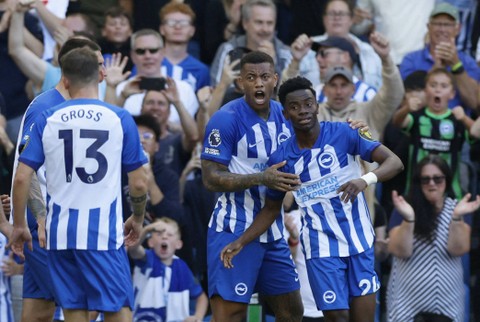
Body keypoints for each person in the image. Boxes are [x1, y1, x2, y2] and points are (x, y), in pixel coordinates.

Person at [220, 76, 404, 322]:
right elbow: (271, 209)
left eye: (308, 103)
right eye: (295, 107)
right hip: (321, 249)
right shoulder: (281, 158)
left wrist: (364, 180)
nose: (303, 111)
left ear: (317, 105)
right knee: (337, 317)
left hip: (359, 242)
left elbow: (395, 162)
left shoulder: (346, 132)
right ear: (285, 113)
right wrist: (241, 241)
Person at [9, 47, 148, 322]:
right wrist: (138, 217)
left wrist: (20, 226)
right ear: (100, 74)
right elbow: (140, 182)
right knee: (117, 308)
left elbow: (23, 176)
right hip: (101, 232)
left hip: (58, 232)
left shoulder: (49, 117)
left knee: (73, 310)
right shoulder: (119, 117)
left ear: (66, 79)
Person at [7, 37, 106, 322]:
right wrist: (40, 220)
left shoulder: (75, 104)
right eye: (97, 65)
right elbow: (28, 171)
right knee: (86, 306)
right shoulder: (46, 107)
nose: (104, 72)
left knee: (38, 312)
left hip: (55, 223)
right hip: (47, 227)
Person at [201, 51, 303, 322]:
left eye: (265, 77)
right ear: (240, 83)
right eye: (251, 77)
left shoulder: (287, 115)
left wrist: (354, 129)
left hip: (273, 230)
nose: (258, 83)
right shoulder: (226, 118)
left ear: (275, 80)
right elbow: (210, 177)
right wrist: (261, 178)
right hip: (233, 226)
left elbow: (320, 134)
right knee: (231, 316)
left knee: (292, 312)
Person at [387, 155, 480, 322]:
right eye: (425, 180)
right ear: (418, 182)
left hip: (448, 303)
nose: (432, 184)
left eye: (438, 179)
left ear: (447, 180)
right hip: (405, 303)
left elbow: (458, 249)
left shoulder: (457, 208)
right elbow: (400, 251)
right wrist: (409, 219)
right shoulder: (404, 207)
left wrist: (457, 217)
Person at [391, 67, 479, 199]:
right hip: (416, 193)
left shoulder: (457, 120)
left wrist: (464, 118)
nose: (438, 89)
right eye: (433, 85)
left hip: (450, 196)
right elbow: (397, 122)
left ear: (452, 93)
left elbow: (475, 133)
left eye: (444, 86)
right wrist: (406, 109)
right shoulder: (416, 116)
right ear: (426, 90)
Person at [399, 2, 480, 112]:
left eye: (447, 25)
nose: (442, 29)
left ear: (458, 29)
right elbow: (410, 100)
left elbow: (474, 102)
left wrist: (456, 65)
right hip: (418, 125)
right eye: (437, 24)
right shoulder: (410, 60)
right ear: (428, 27)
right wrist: (436, 68)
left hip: (457, 125)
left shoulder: (468, 62)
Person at [129, 217, 208, 322]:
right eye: (159, 234)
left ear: (178, 244)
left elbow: (201, 297)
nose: (164, 237)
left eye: (170, 235)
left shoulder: (182, 267)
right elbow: (133, 249)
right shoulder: (147, 259)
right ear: (150, 242)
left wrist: (197, 317)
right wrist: (147, 230)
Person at [116, 29, 199, 123]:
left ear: (163, 53)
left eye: (153, 50)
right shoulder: (121, 89)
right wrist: (122, 97)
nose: (147, 56)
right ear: (132, 55)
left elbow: (194, 134)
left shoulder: (184, 89)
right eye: (140, 51)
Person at [209, 0, 292, 86]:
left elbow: (289, 96)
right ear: (245, 23)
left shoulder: (285, 53)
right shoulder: (228, 50)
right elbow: (215, 91)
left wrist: (273, 65)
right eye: (259, 22)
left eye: (270, 23)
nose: (265, 29)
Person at [159, 2, 210, 93]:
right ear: (162, 29)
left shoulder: (201, 70)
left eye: (184, 23)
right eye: (171, 22)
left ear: (192, 30)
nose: (178, 27)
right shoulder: (147, 62)